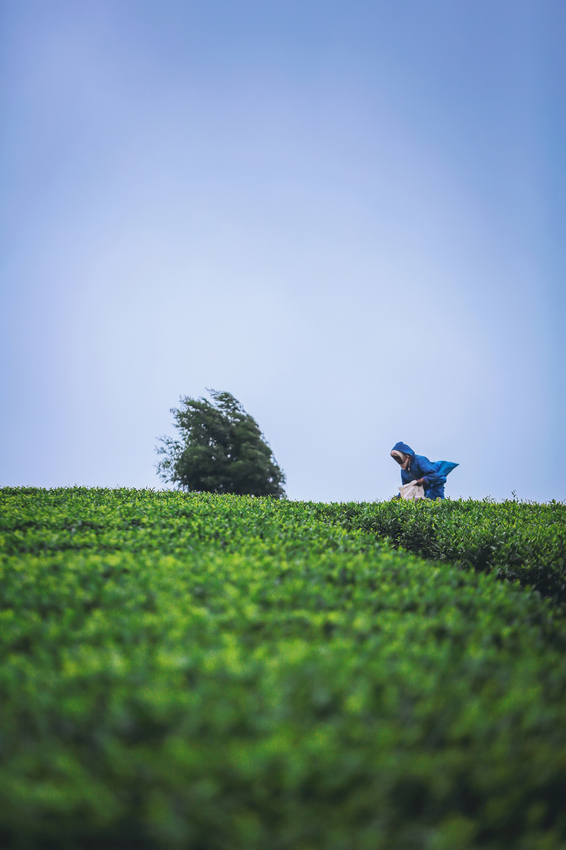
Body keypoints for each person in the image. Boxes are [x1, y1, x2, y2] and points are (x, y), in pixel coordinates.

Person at [390, 441, 458, 500]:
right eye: (395, 458)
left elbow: (433, 475)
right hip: (422, 489)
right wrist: (399, 496)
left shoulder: (420, 460)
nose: (397, 460)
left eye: (398, 457)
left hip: (434, 485)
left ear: (407, 456)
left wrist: (422, 481)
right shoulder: (403, 471)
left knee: (434, 501)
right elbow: (407, 487)